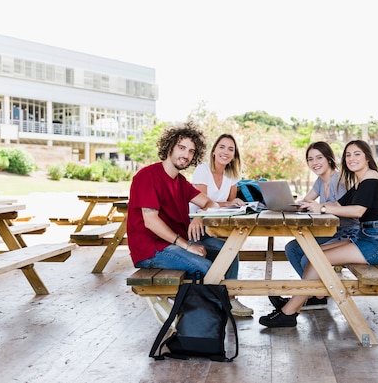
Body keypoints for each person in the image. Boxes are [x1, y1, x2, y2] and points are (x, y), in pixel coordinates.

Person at [259, 139, 378, 328]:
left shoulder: (370, 180)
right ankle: (296, 306)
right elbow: (339, 204)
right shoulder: (361, 181)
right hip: (367, 237)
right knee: (314, 256)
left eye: (357, 154)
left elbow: (357, 211)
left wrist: (322, 209)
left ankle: (289, 311)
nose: (351, 158)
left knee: (317, 259)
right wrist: (315, 206)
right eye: (348, 155)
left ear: (367, 157)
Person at [126, 122, 250, 318]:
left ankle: (228, 301)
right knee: (207, 268)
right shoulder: (146, 176)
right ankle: (204, 316)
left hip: (175, 243)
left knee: (229, 251)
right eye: (181, 148)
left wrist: (231, 204)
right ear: (169, 147)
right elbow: (151, 221)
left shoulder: (181, 182)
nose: (186, 155)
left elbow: (208, 202)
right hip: (152, 249)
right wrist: (187, 245)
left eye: (191, 151)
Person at [273, 141, 359, 310]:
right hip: (331, 232)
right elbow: (307, 200)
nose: (315, 163)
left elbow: (340, 207)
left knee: (308, 257)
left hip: (348, 232)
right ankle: (316, 293)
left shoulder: (339, 180)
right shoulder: (320, 181)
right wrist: (290, 203)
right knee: (293, 248)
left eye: (319, 157)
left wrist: (320, 207)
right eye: (310, 159)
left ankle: (316, 293)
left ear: (329, 158)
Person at [188, 133, 253, 316]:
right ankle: (229, 299)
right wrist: (228, 204)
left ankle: (227, 298)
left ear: (234, 155)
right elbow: (201, 202)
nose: (226, 152)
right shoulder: (203, 170)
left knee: (230, 248)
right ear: (214, 150)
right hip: (195, 226)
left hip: (213, 229)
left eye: (231, 149)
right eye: (222, 147)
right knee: (229, 251)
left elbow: (232, 206)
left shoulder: (231, 175)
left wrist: (241, 206)